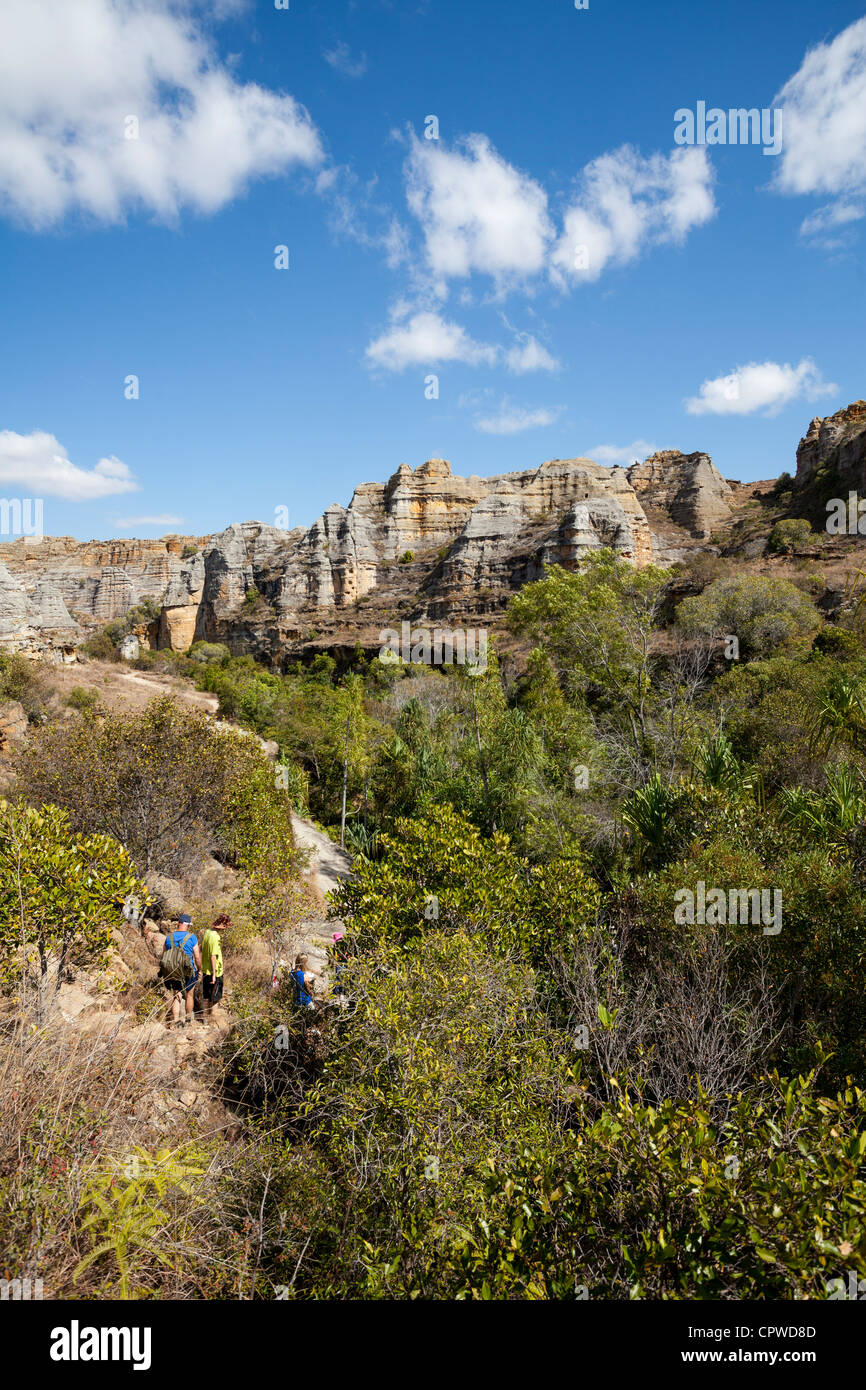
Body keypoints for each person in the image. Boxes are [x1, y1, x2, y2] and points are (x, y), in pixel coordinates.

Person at [160, 913, 201, 1029]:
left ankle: (175, 1021)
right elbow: (197, 956)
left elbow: (164, 955)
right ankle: (188, 1020)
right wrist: (199, 969)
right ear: (187, 925)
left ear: (178, 924)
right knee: (189, 995)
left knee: (176, 994)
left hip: (173, 971)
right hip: (189, 970)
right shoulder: (192, 938)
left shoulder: (169, 937)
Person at [200, 913, 229, 1024]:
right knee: (215, 998)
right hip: (214, 972)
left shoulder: (207, 933)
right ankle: (213, 1022)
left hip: (205, 970)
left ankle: (205, 1019)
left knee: (207, 996)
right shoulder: (215, 936)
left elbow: (202, 948)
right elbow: (213, 956)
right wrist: (214, 974)